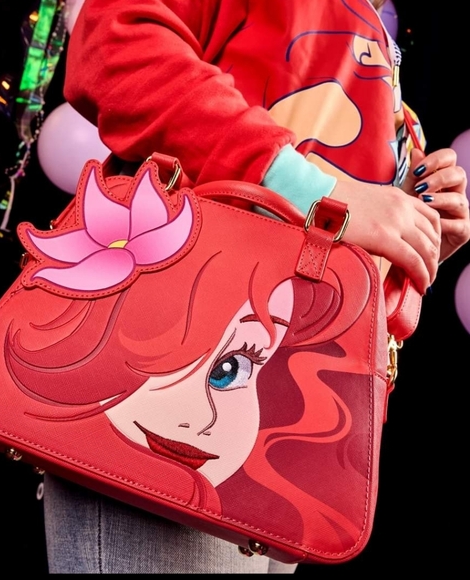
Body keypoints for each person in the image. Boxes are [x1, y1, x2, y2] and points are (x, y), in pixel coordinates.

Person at [40, 0, 469, 573]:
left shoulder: (375, 34)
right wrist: (319, 191)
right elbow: (116, 39)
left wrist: (412, 243)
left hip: (288, 419)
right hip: (174, 365)